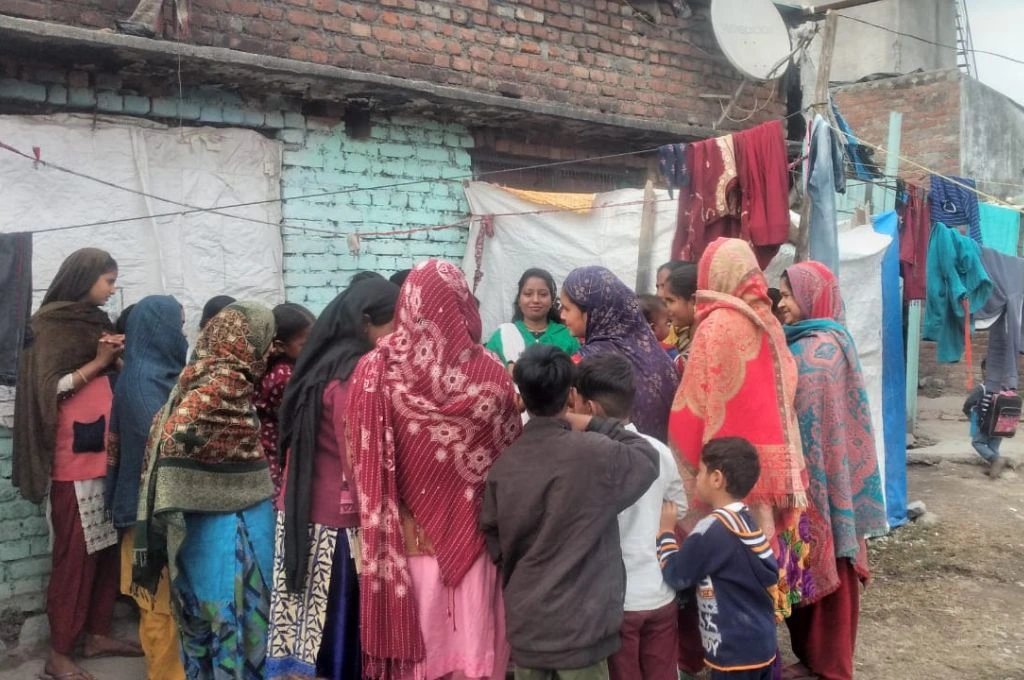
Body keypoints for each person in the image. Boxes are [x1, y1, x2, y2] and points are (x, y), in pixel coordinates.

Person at [347, 259, 521, 680]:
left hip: (404, 550)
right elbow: (510, 460)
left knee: (421, 663)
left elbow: (358, 459)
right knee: (473, 655)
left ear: (407, 304)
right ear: (463, 304)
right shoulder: (492, 373)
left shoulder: (375, 370)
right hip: (477, 544)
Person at [668, 238, 810, 674]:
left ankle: (716, 657)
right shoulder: (770, 325)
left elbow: (691, 406)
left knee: (715, 575)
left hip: (720, 479)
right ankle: (760, 655)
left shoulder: (715, 326)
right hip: (761, 479)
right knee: (755, 571)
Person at [480, 344, 659, 680]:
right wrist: (592, 422)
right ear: (572, 395)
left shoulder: (504, 467)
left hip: (529, 625)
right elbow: (647, 458)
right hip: (582, 628)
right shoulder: (595, 454)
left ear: (523, 398)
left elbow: (495, 540)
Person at [13, 247, 141, 680]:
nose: (113, 288)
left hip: (106, 454)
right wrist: (100, 362)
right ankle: (59, 652)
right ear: (84, 278)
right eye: (108, 280)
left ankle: (97, 633)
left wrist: (116, 357)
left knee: (104, 551)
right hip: (73, 460)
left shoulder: (96, 322)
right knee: (74, 557)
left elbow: (107, 373)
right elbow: (49, 388)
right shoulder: (46, 326)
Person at [134, 301, 278, 680]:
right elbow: (176, 440)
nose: (269, 351)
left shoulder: (194, 379)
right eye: (265, 341)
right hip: (231, 538)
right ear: (247, 341)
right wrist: (209, 487)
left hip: (197, 536)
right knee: (239, 626)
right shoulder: (223, 389)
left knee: (206, 627)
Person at [267, 278, 399, 680]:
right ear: (365, 323)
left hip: (301, 509)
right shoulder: (355, 375)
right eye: (393, 326)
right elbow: (357, 455)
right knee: (337, 627)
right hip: (338, 525)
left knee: (310, 621)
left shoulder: (318, 366)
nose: (398, 337)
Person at [777, 262, 887, 680]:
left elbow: (812, 421)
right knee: (802, 568)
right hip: (812, 482)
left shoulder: (820, 352)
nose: (782, 303)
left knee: (828, 570)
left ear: (812, 297)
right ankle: (812, 659)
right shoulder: (816, 341)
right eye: (781, 295)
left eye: (789, 295)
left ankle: (829, 665)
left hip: (822, 486)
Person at [572, 354, 686, 680]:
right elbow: (678, 506)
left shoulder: (583, 457)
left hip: (615, 600)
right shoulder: (658, 450)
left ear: (589, 407)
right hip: (659, 591)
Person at [106, 295, 189, 680]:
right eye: (178, 327)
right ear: (160, 331)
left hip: (156, 512)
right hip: (148, 518)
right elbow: (162, 452)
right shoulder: (142, 387)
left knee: (168, 605)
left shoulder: (159, 377)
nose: (183, 336)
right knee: (158, 606)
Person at [656, 438, 779, 680]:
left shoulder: (712, 529)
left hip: (733, 651)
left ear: (716, 479)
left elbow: (676, 574)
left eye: (700, 472)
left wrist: (666, 532)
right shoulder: (746, 520)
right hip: (761, 643)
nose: (696, 479)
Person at [561, 266, 679, 442]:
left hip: (608, 454)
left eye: (567, 308)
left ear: (591, 312)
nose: (562, 315)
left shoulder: (585, 363)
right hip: (660, 454)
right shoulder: (659, 356)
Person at [255, 302, 316, 495]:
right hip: (277, 456)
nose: (313, 348)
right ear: (280, 345)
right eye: (305, 344)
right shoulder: (284, 376)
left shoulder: (277, 368)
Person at [485, 268, 580, 366]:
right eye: (528, 294)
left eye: (543, 294)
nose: (535, 300)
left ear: (552, 300)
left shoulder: (567, 336)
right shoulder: (503, 335)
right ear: (519, 300)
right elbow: (486, 370)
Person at [963, 360, 1008, 479]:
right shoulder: (1005, 388)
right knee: (993, 447)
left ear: (984, 371)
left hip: (986, 424)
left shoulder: (982, 388)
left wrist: (970, 415)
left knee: (977, 442)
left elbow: (968, 404)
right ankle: (995, 471)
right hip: (1002, 425)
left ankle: (995, 460)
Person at [658, 263, 698, 373]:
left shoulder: (707, 339)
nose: (666, 308)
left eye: (670, 300)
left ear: (694, 300)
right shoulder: (683, 334)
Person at [638, 294, 678, 361]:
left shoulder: (625, 349)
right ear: (652, 328)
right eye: (667, 323)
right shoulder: (669, 352)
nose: (670, 325)